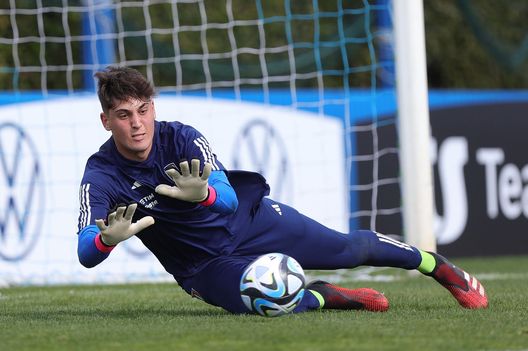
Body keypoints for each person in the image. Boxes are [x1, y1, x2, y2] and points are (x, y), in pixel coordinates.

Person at [77, 66, 488, 314]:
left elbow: (229, 197)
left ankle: (437, 266)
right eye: (124, 114)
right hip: (203, 267)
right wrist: (106, 241)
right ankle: (327, 298)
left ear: (154, 107)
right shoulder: (101, 175)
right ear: (105, 120)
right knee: (267, 301)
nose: (137, 123)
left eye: (144, 110)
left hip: (252, 222)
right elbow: (85, 251)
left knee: (348, 250)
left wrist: (204, 195)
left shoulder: (181, 138)